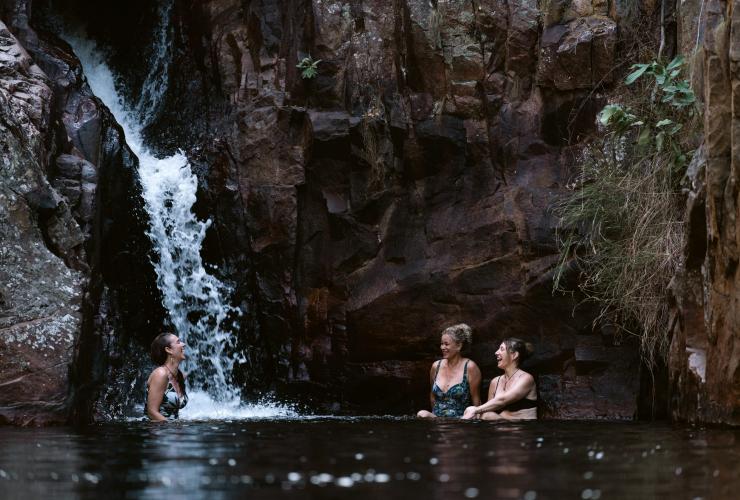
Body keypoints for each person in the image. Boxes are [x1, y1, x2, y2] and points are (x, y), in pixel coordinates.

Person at [462, 338, 537, 420]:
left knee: (484, 414)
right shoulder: (495, 381)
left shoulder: (526, 378)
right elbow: (489, 407)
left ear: (514, 355)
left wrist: (476, 410)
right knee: (483, 414)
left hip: (524, 428)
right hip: (502, 427)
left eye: (501, 349)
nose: (496, 352)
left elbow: (502, 400)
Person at [417, 324, 482, 418]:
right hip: (437, 419)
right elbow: (432, 396)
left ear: (459, 346)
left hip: (461, 420)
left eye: (446, 344)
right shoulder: (436, 366)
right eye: (441, 344)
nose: (442, 347)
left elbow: (477, 401)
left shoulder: (470, 367)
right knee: (421, 414)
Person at [145, 332, 188, 421]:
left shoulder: (180, 376)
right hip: (158, 431)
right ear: (169, 350)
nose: (183, 344)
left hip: (174, 431)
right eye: (178, 342)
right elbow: (152, 412)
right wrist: (170, 429)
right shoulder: (160, 374)